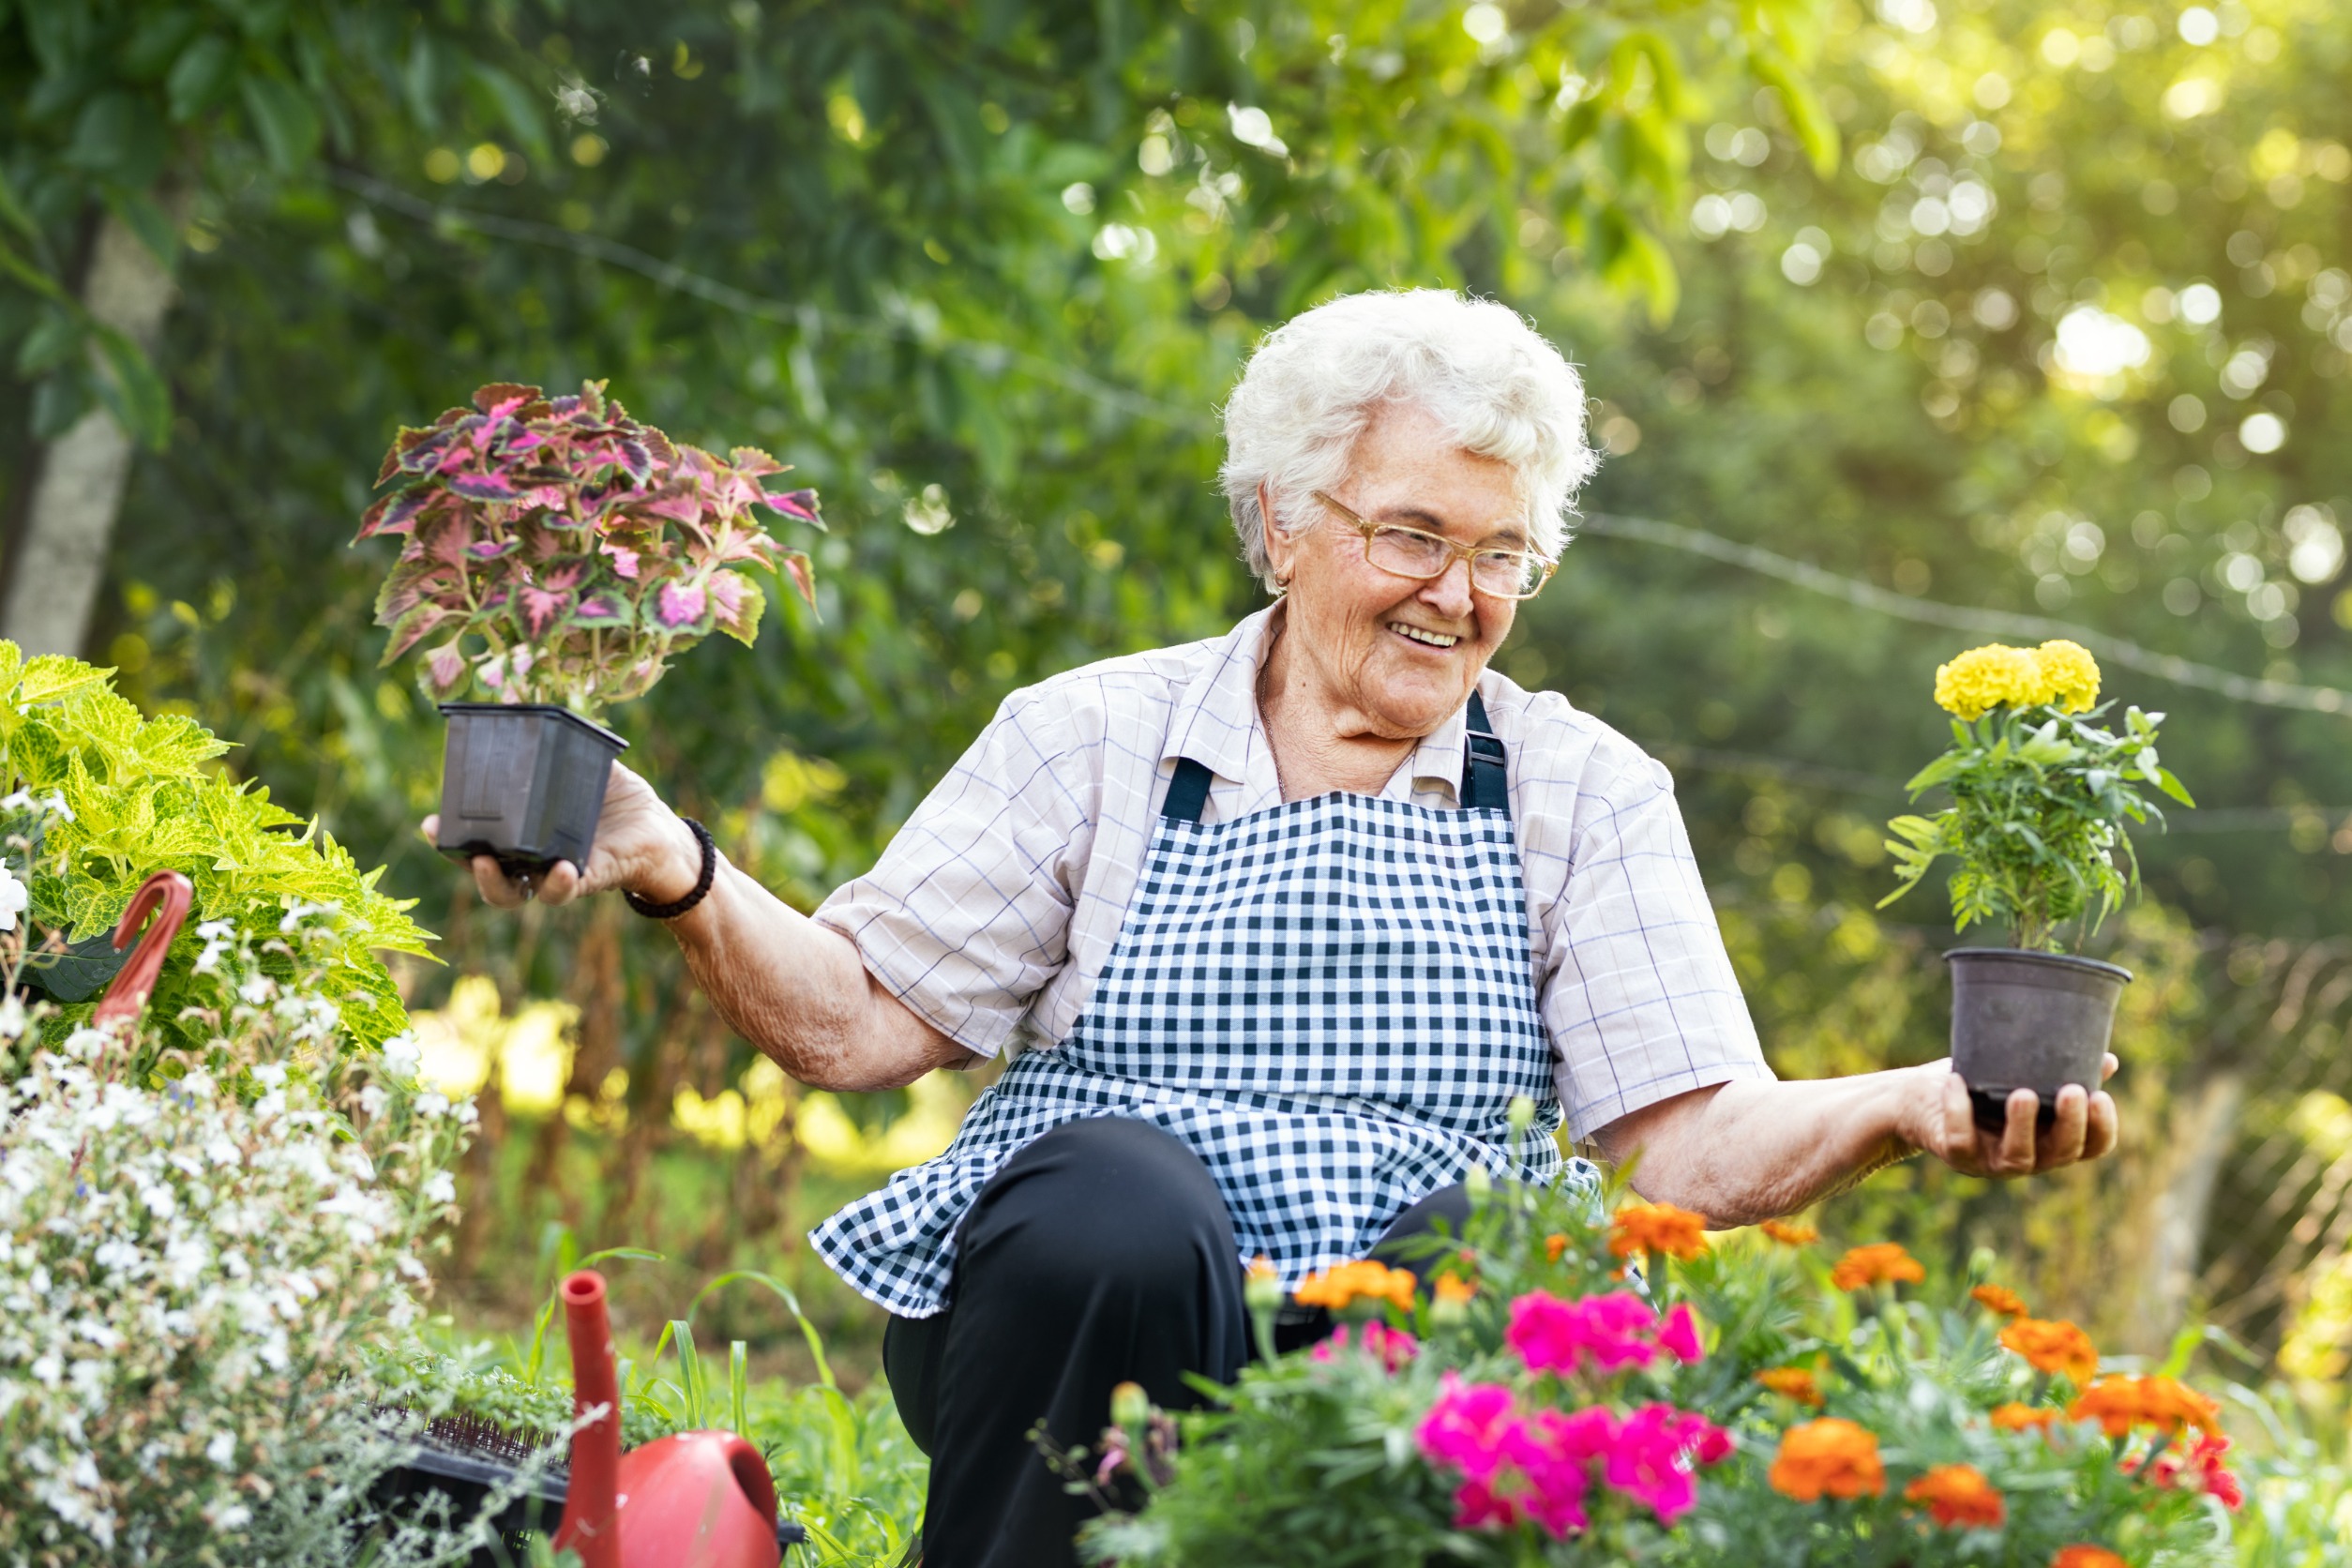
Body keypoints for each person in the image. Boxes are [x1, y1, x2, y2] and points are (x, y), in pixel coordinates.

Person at [437, 289, 2120, 1568]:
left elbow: (1685, 1138)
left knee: (1498, 1256)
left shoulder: (1582, 790)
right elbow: (862, 1023)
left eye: (1500, 556)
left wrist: (1900, 1103)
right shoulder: (1091, 734)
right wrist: (670, 859)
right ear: (1279, 526)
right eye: (1411, 535)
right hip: (1088, 1314)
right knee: (1113, 1195)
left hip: (1390, 1335)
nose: (1456, 597)